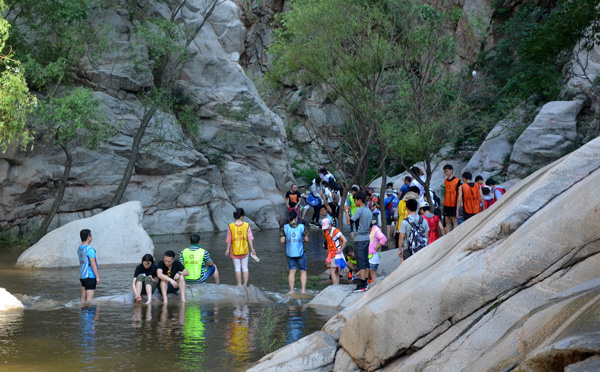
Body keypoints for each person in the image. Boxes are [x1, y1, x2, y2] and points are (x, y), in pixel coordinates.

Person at [225, 208, 257, 287]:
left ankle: (239, 285)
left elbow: (229, 239)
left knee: (237, 268)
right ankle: (245, 284)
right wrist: (252, 248)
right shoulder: (246, 225)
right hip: (245, 250)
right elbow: (250, 238)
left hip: (234, 251)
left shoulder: (231, 226)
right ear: (242, 217)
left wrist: (227, 249)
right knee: (245, 268)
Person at [281, 210, 309, 294]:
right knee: (302, 270)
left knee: (292, 271)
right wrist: (303, 239)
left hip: (289, 252)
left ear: (289, 218)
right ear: (296, 218)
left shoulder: (285, 227)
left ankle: (291, 290)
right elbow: (307, 239)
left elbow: (282, 240)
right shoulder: (302, 227)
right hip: (300, 251)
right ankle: (303, 290)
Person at [349, 192, 372, 292]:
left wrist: (346, 210)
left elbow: (350, 221)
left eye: (355, 200)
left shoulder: (359, 210)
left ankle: (362, 284)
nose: (354, 202)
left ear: (359, 200)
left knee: (361, 262)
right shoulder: (369, 211)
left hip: (359, 239)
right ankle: (366, 282)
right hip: (367, 238)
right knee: (366, 262)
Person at [398, 199, 429, 263]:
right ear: (417, 208)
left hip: (408, 248)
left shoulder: (404, 222)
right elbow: (426, 235)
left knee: (403, 267)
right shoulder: (423, 220)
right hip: (421, 248)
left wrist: (399, 249)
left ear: (407, 209)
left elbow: (401, 237)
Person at [78, 229, 100, 304]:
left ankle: (83, 314)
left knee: (83, 296)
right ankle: (89, 315)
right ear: (89, 237)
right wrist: (97, 277)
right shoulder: (90, 250)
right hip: (90, 276)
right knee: (90, 298)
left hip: (82, 276)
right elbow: (93, 264)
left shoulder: (79, 249)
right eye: (91, 236)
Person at [323, 218, 347, 285]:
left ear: (330, 224)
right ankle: (337, 285)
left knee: (332, 270)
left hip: (336, 253)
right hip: (332, 253)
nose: (327, 229)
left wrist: (340, 250)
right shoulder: (327, 232)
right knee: (335, 270)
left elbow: (345, 240)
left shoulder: (336, 231)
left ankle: (335, 285)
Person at [443, 164, 461, 234]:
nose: (446, 173)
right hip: (446, 203)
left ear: (451, 170)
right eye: (444, 172)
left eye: (446, 171)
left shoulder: (457, 180)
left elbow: (459, 193)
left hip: (453, 202)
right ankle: (447, 235)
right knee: (447, 220)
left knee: (454, 220)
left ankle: (456, 235)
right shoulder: (445, 181)